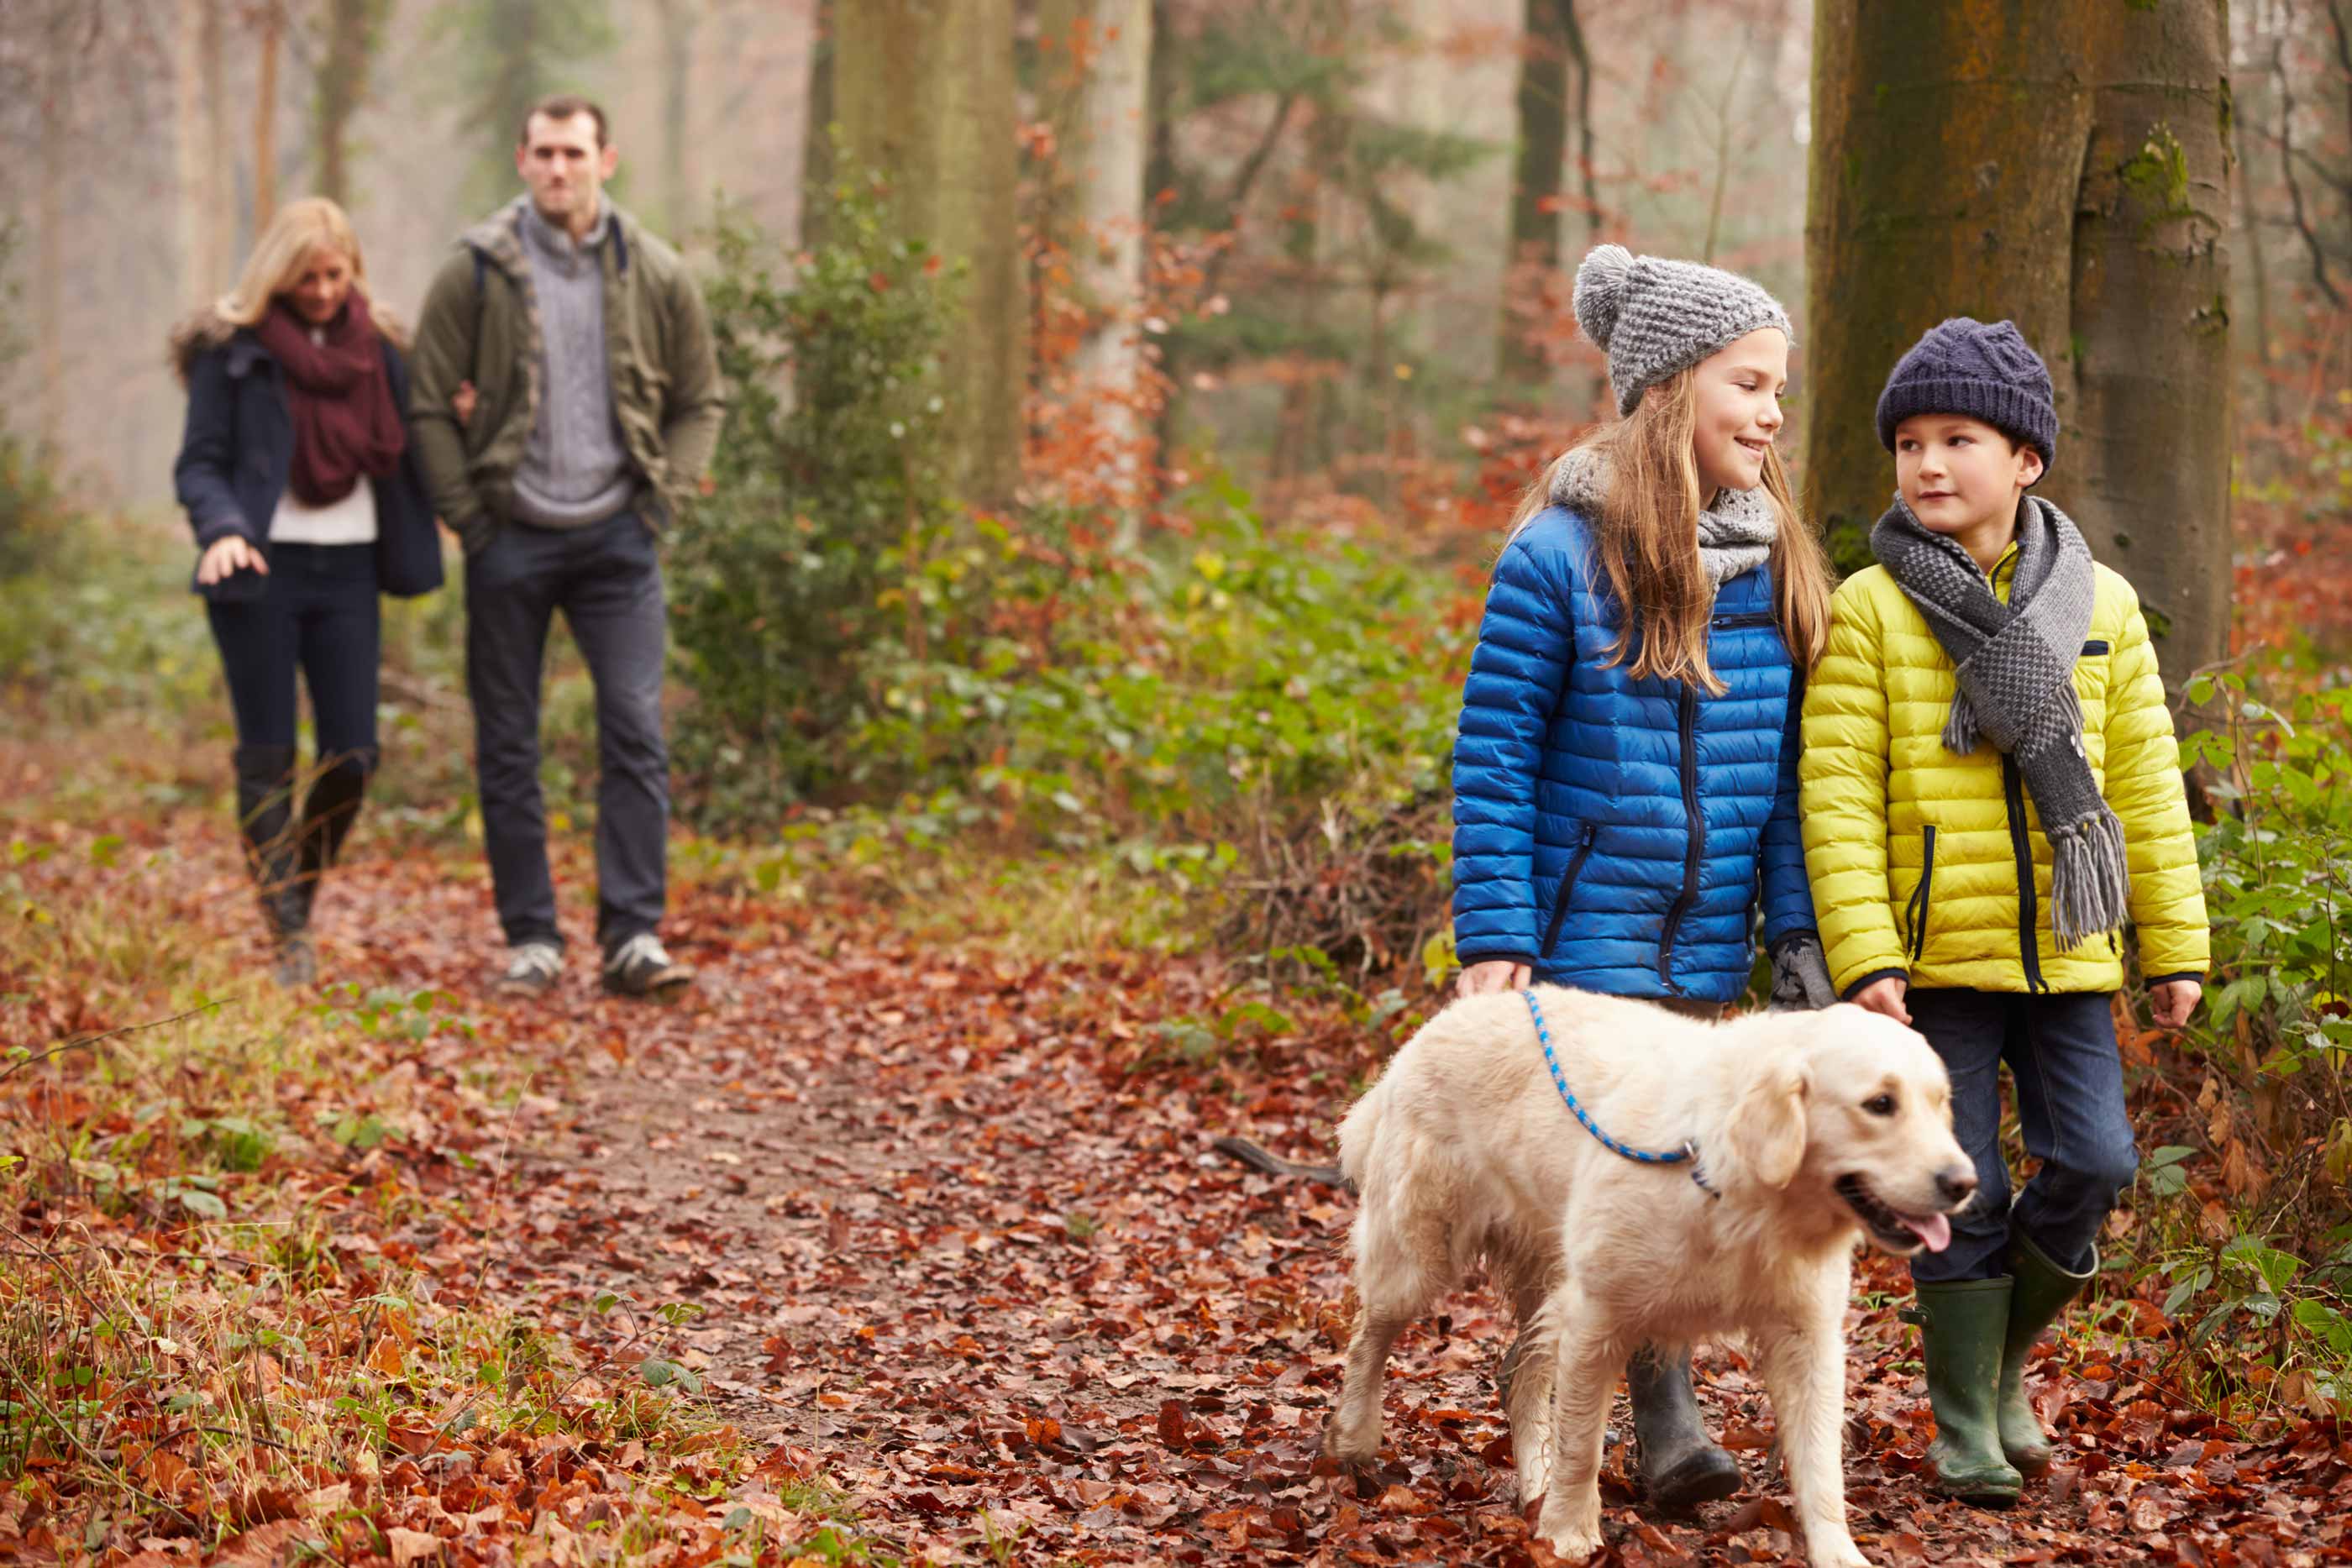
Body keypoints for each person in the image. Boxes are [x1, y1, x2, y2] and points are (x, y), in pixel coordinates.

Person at [1449, 243, 1839, 1508]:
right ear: (1674, 387)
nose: (1774, 412)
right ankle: (1653, 1422)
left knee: (1682, 1163)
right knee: (1623, 1164)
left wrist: (1795, 929)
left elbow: (1782, 777)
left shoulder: (1774, 557)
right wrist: (1497, 929)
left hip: (1708, 933)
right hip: (1580, 934)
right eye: (1750, 383)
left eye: (1780, 387)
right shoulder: (1558, 554)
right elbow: (1496, 757)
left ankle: (1623, 1399)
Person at [1799, 317, 2209, 1502]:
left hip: (2073, 951)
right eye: (1909, 443)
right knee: (1958, 1180)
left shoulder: (2105, 603)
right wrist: (1865, 953)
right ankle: (1963, 1416)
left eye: (1957, 439)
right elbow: (1835, 793)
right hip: (1933, 965)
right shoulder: (1872, 608)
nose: (1927, 464)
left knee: (2095, 1158)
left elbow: (2143, 781)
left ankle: (2008, 1359)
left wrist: (2172, 943)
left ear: (2025, 458)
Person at [408, 93, 724, 999]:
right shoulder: (474, 270)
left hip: (620, 540)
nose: (558, 169)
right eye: (543, 153)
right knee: (508, 742)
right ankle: (532, 939)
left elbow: (701, 399)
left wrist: (662, 504)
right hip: (511, 537)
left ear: (605, 161)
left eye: (574, 153)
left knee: (634, 728)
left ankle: (633, 936)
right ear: (521, 161)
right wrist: (472, 519)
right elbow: (427, 401)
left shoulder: (655, 271)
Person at [171, 197, 445, 988]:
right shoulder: (234, 351)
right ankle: (289, 933)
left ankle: (295, 888)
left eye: (336, 274)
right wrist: (222, 527)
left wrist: (458, 421)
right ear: (278, 275)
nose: (324, 290)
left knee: (353, 755)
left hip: (352, 566)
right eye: (307, 277)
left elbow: (414, 443)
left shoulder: (383, 349)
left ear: (352, 270)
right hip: (257, 567)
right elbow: (200, 461)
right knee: (268, 753)